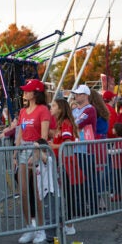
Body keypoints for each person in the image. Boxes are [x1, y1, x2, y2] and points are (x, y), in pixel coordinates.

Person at [10, 79, 50, 244]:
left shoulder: (43, 110)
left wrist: (37, 154)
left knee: (38, 192)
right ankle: (29, 227)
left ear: (36, 93)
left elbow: (44, 137)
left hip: (36, 152)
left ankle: (41, 228)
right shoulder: (23, 112)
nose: (25, 92)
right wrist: (14, 154)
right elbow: (20, 134)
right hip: (23, 153)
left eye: (28, 90)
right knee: (24, 192)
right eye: (25, 90)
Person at [48, 97, 78, 236]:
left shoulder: (65, 123)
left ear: (60, 109)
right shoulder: (59, 123)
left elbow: (67, 143)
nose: (51, 108)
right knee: (62, 193)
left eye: (53, 106)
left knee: (67, 194)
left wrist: (52, 145)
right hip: (60, 162)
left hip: (65, 163)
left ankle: (70, 224)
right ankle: (64, 222)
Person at [71, 84, 97, 216]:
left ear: (86, 95)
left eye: (79, 94)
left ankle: (92, 208)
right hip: (74, 150)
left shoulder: (90, 109)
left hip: (87, 150)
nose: (76, 96)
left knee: (88, 180)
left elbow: (75, 124)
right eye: (75, 93)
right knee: (78, 181)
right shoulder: (74, 110)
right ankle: (81, 208)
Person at [33, 138, 57, 244]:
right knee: (49, 214)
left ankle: (50, 239)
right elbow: (30, 162)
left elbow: (45, 158)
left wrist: (38, 148)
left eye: (36, 151)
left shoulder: (49, 160)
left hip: (49, 192)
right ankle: (53, 237)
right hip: (43, 192)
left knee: (49, 216)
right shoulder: (38, 162)